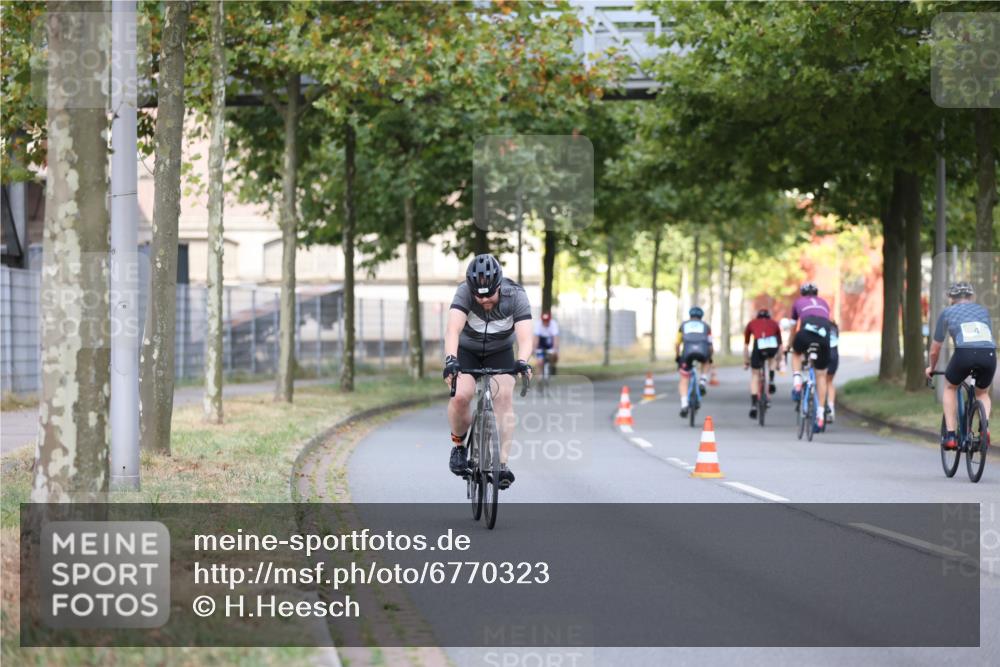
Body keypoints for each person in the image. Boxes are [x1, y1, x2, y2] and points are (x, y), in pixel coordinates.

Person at [443, 254, 533, 489]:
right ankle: (459, 447)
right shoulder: (464, 292)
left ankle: (501, 465)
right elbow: (453, 330)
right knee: (460, 395)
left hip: (500, 352)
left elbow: (525, 337)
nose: (484, 300)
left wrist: (522, 361)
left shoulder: (516, 295)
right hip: (467, 351)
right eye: (479, 296)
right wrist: (451, 360)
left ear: (499, 286)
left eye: (489, 295)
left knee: (504, 395)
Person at [925, 282, 995, 451]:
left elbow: (935, 349)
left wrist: (931, 367)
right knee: (982, 392)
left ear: (951, 298)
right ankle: (984, 430)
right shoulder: (984, 311)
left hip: (964, 354)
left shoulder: (947, 313)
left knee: (950, 387)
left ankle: (950, 436)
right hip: (989, 354)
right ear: (972, 296)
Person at [787, 282, 833, 432]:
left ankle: (797, 382)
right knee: (821, 375)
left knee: (796, 353)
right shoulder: (824, 303)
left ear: (802, 293)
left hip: (807, 330)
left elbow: (793, 328)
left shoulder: (798, 302)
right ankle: (820, 415)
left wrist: (789, 345)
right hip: (824, 333)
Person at [743, 308, 782, 420]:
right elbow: (780, 346)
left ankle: (754, 405)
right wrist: (779, 361)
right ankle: (771, 380)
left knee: (755, 375)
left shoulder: (751, 323)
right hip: (772, 345)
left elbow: (746, 345)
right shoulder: (774, 323)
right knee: (772, 359)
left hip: (758, 345)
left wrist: (746, 361)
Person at [675, 306, 713, 418]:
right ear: (701, 316)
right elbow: (710, 345)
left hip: (687, 354)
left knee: (684, 379)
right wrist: (710, 357)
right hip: (702, 352)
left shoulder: (683, 325)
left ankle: (684, 405)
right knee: (707, 361)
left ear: (690, 315)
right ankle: (702, 381)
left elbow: (677, 343)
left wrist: (677, 357)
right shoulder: (706, 326)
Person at [533, 311, 560, 376]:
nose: (545, 322)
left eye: (547, 321)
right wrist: (534, 349)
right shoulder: (538, 324)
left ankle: (552, 367)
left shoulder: (553, 324)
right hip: (541, 342)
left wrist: (555, 350)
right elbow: (536, 338)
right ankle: (539, 378)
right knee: (539, 362)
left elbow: (555, 338)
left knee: (554, 356)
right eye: (544, 321)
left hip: (550, 342)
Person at [825, 320, 840, 423]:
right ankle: (831, 409)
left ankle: (820, 408)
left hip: (823, 355)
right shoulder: (834, 327)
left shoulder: (818, 325)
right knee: (829, 382)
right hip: (834, 355)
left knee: (820, 380)